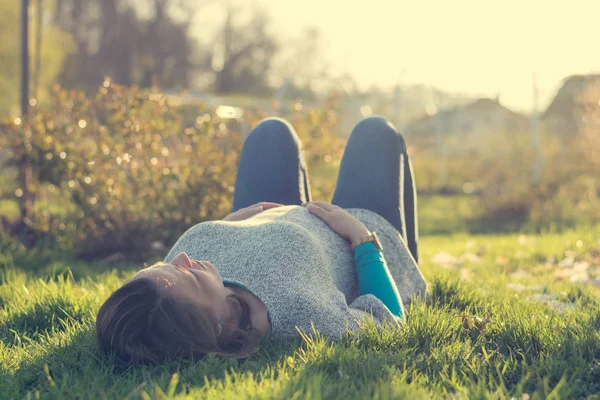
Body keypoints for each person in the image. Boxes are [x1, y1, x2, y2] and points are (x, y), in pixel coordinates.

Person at [96, 116, 427, 366]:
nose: (183, 257)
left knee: (270, 133)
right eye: (189, 276)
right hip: (352, 229)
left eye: (165, 265)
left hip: (270, 213)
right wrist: (362, 239)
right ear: (217, 326)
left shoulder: (163, 295)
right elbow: (387, 324)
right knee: (376, 133)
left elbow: (148, 305)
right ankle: (408, 257)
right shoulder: (303, 318)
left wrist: (222, 227)